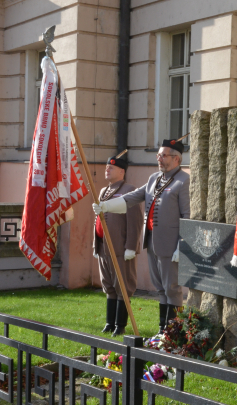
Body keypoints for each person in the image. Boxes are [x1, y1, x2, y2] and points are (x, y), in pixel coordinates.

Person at [93, 138, 190, 333]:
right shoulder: (154, 178)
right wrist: (107, 205)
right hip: (152, 241)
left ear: (177, 159)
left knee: (172, 288)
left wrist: (183, 245)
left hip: (171, 244)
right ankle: (163, 330)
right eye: (158, 155)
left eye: (164, 155)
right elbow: (134, 196)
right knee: (160, 288)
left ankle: (174, 331)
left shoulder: (183, 180)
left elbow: (187, 215)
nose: (159, 159)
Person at [93, 153, 143, 337]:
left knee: (122, 285)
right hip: (104, 247)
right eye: (107, 166)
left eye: (111, 167)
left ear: (122, 171)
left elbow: (136, 221)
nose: (107, 169)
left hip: (121, 247)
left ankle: (120, 325)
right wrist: (96, 244)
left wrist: (131, 246)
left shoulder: (130, 190)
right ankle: (109, 322)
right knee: (109, 285)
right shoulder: (103, 191)